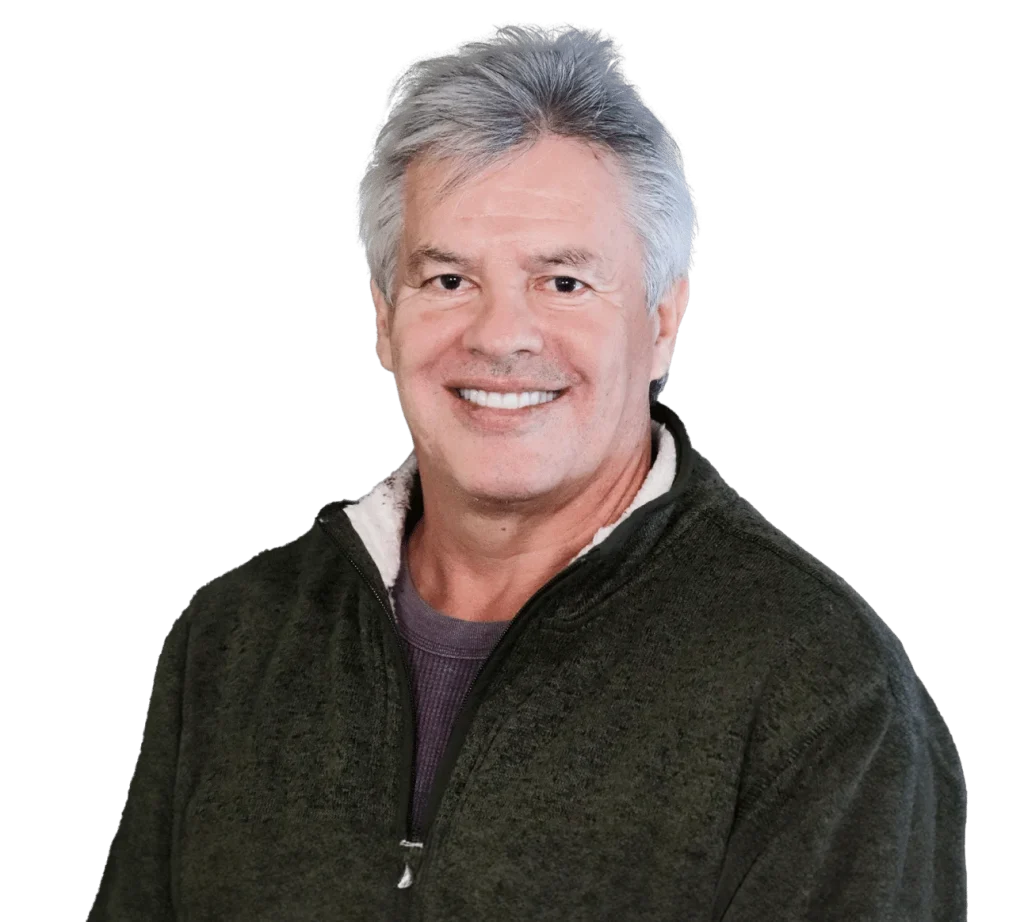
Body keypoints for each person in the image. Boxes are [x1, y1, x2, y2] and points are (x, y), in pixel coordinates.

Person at [90, 32, 968, 922]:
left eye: (563, 282)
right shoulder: (235, 636)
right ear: (385, 320)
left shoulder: (822, 686)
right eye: (447, 279)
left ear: (664, 321)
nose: (501, 336)